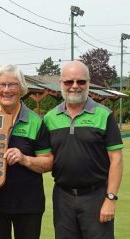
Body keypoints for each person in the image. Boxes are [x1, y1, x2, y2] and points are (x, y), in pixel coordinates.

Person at [44, 60, 124, 239]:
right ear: (61, 83)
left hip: (96, 196)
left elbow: (116, 159)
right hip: (62, 197)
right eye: (69, 82)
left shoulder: (104, 115)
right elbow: (45, 157)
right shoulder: (50, 118)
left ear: (88, 83)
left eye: (81, 81)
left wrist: (110, 198)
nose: (75, 86)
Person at [0, 65, 53, 239]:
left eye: (12, 84)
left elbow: (48, 162)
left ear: (21, 88)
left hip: (28, 204)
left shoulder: (36, 121)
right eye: (2, 84)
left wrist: (24, 159)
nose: (6, 90)